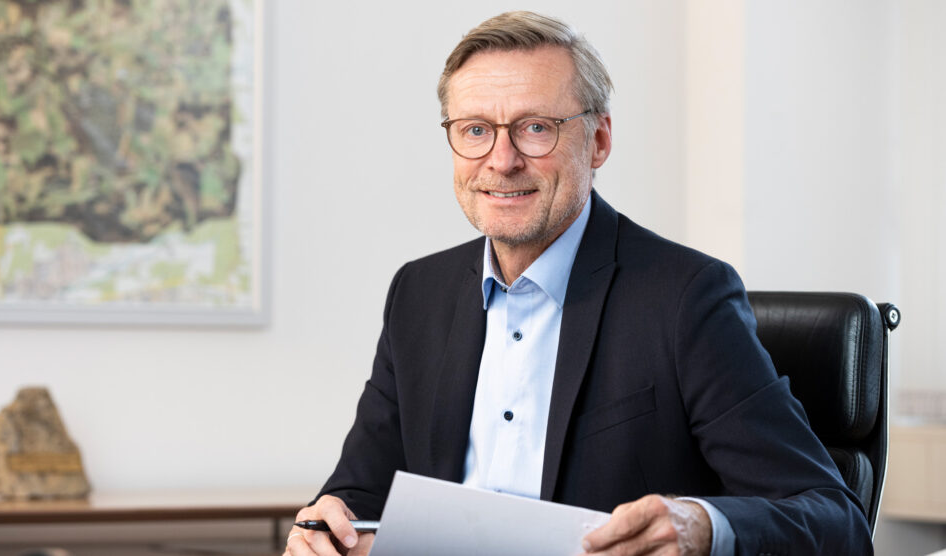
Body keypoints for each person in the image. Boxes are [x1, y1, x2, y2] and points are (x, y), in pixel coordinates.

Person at [284, 11, 872, 556]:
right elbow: (358, 497)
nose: (502, 159)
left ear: (598, 141)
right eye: (474, 130)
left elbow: (833, 519)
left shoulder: (686, 297)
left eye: (535, 128)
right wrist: (325, 526)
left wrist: (701, 525)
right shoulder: (418, 293)